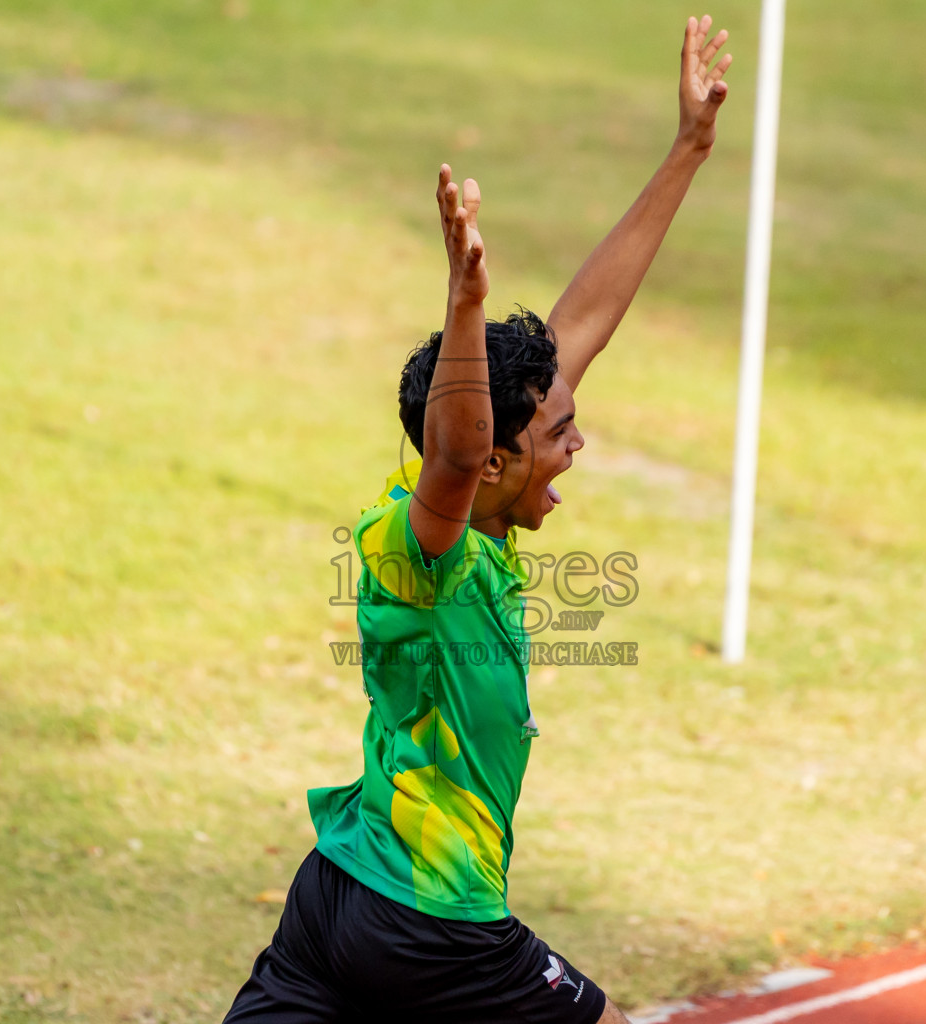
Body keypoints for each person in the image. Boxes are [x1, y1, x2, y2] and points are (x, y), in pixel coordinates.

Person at [222, 16, 733, 1024]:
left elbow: (581, 325)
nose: (578, 443)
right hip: (433, 924)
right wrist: (464, 301)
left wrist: (690, 147)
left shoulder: (486, 515)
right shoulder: (426, 550)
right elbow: (454, 454)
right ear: (495, 460)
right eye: (559, 434)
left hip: (338, 892)